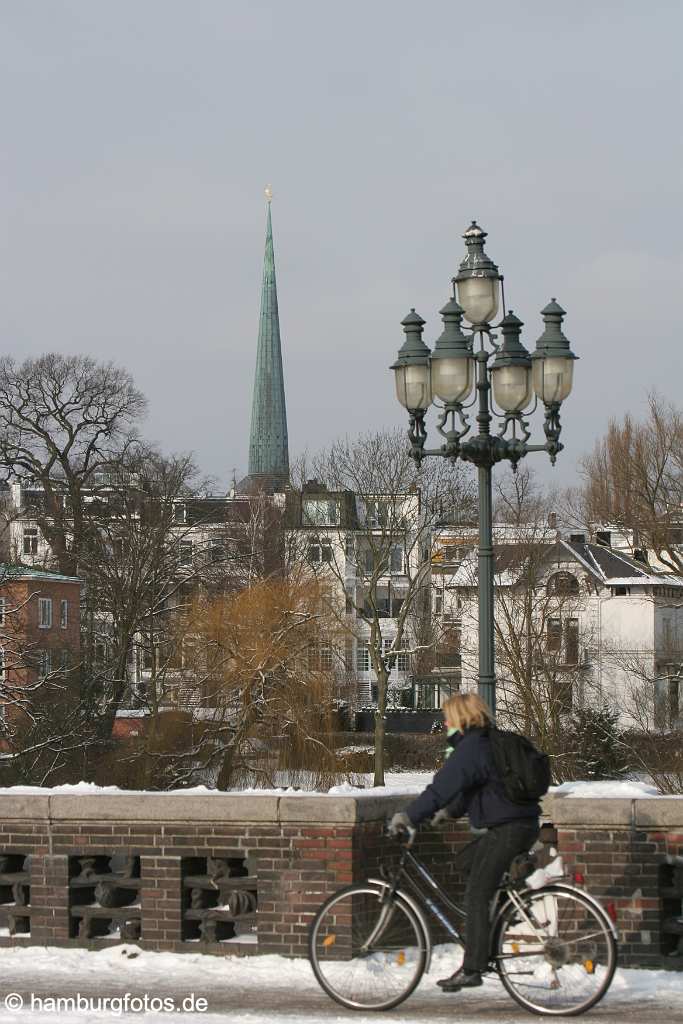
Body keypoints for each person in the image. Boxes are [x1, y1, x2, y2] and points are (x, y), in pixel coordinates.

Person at [388, 692, 540, 994]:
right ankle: (495, 917)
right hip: (521, 824)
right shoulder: (488, 741)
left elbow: (439, 789)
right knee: (466, 862)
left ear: (459, 719)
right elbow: (476, 790)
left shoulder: (471, 748)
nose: (445, 724)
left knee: (475, 894)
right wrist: (450, 812)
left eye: (447, 718)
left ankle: (472, 968)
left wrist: (408, 816)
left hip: (507, 829)